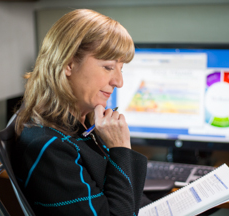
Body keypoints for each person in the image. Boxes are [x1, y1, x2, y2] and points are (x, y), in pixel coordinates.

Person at [11, 9, 149, 216]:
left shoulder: (82, 125)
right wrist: (120, 149)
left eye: (122, 69)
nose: (119, 82)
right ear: (68, 64)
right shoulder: (50, 148)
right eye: (109, 67)